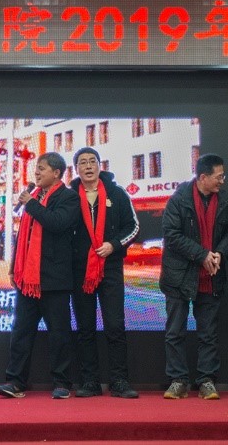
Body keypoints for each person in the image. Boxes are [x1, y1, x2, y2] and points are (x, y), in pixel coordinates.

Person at [0, 152, 82, 400]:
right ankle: (15, 382)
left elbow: (57, 223)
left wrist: (31, 204)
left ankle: (62, 383)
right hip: (27, 280)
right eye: (36, 168)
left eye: (41, 168)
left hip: (54, 279)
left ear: (56, 173)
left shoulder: (68, 197)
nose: (36, 172)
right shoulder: (34, 196)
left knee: (59, 334)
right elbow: (22, 237)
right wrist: (14, 267)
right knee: (21, 332)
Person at [160, 153, 228, 400]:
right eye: (219, 176)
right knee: (175, 332)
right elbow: (172, 235)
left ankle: (206, 380)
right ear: (203, 177)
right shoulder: (179, 199)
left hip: (212, 275)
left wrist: (219, 254)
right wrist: (202, 255)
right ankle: (178, 380)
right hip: (179, 276)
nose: (222, 181)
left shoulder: (224, 200)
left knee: (208, 334)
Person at [68, 148, 141, 399]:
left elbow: (133, 227)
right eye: (83, 163)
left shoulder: (117, 194)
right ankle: (90, 381)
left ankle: (119, 381)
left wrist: (114, 244)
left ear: (100, 166)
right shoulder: (70, 197)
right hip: (80, 272)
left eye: (93, 161)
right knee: (85, 328)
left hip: (110, 268)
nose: (88, 166)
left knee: (115, 325)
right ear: (76, 169)